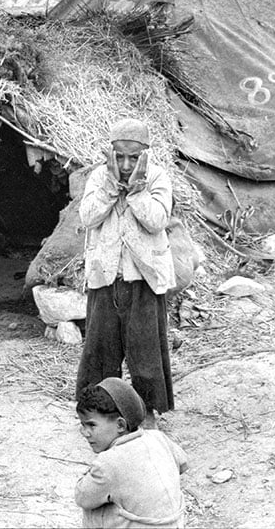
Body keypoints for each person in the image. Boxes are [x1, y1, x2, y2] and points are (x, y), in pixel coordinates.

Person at [77, 118, 176, 426]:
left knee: (145, 352)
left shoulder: (157, 177)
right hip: (105, 279)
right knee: (100, 351)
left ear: (146, 154)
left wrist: (136, 191)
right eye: (119, 156)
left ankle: (147, 412)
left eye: (134, 157)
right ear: (110, 153)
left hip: (143, 280)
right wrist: (110, 188)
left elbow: (157, 220)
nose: (125, 164)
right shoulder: (99, 178)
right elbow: (88, 217)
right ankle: (100, 412)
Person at [75, 378, 188, 528]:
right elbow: (183, 463)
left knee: (96, 507)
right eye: (82, 425)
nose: (84, 432)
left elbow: (82, 498)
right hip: (175, 525)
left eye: (91, 425)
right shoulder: (158, 437)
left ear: (120, 425)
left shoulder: (108, 462)